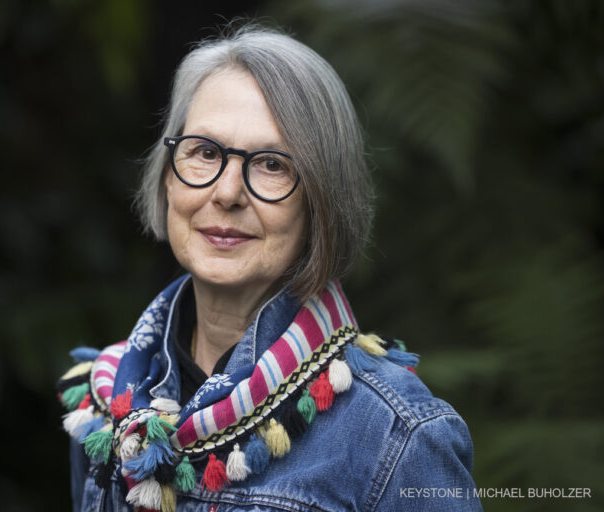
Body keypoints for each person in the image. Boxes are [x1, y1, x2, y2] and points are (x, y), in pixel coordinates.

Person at [56, 24, 481, 512]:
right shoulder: (105, 407)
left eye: (271, 164)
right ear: (169, 179)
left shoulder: (396, 433)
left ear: (320, 201)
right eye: (205, 152)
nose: (228, 192)